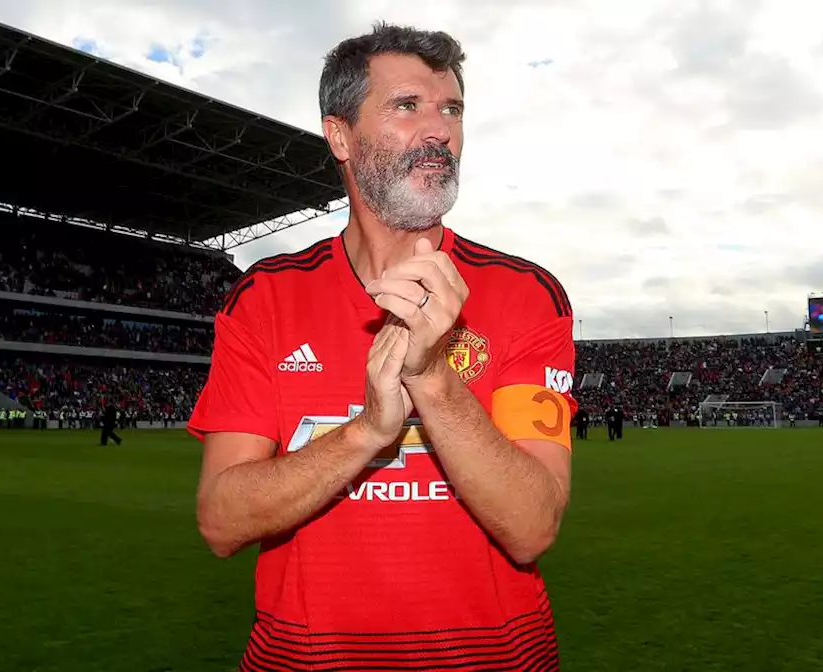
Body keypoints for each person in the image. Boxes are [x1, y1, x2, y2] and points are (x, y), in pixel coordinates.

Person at [187, 24, 574, 670]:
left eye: (451, 108)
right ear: (340, 135)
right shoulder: (264, 299)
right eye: (407, 106)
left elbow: (533, 526)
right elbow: (221, 522)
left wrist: (432, 378)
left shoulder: (528, 296)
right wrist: (367, 431)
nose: (440, 130)